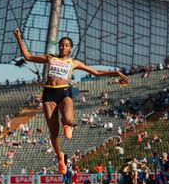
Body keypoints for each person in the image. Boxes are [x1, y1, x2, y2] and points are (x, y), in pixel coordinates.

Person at [13, 28, 129, 173]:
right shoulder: (50, 58)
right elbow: (28, 56)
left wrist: (116, 72)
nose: (63, 47)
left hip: (64, 91)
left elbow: (96, 72)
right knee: (53, 132)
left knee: (68, 119)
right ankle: (60, 157)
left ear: (70, 48)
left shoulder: (73, 62)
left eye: (66, 45)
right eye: (61, 44)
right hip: (49, 93)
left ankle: (68, 124)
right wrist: (18, 38)